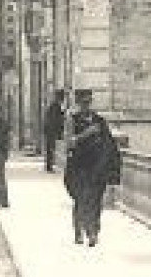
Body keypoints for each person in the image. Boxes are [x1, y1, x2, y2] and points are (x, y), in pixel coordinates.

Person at [63, 88, 120, 248]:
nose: (86, 106)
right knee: (81, 199)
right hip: (78, 166)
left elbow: (109, 145)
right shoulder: (71, 120)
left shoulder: (100, 121)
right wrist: (86, 134)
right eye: (83, 103)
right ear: (78, 103)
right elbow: (68, 142)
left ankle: (93, 231)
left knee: (95, 200)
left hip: (96, 168)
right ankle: (79, 230)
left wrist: (111, 168)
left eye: (88, 102)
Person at [42, 88, 67, 174]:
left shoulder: (54, 105)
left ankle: (49, 166)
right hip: (51, 131)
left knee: (50, 148)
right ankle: (49, 166)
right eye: (62, 97)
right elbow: (55, 120)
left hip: (50, 130)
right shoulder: (55, 106)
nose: (63, 99)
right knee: (50, 148)